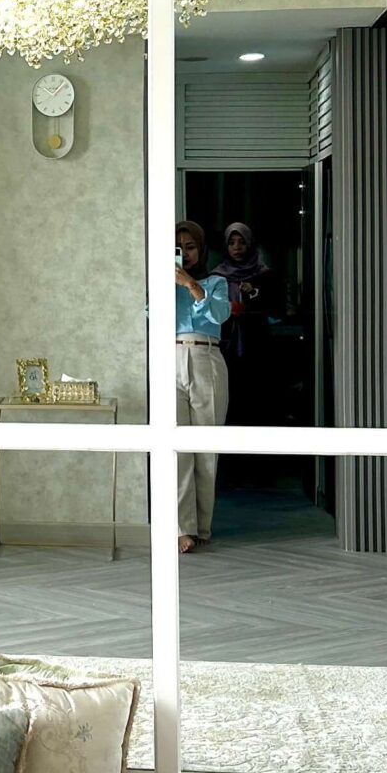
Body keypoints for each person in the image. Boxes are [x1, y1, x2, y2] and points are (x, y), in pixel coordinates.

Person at [175, 220, 231, 553]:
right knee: (176, 448)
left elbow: (220, 315)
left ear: (201, 249)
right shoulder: (162, 281)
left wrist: (191, 285)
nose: (185, 253)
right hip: (170, 359)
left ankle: (203, 526)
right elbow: (150, 316)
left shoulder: (216, 282)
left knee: (206, 448)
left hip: (206, 357)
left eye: (191, 247)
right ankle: (183, 529)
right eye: (179, 248)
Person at [212, 219, 274, 427]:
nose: (237, 248)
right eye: (232, 243)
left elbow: (276, 307)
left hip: (256, 341)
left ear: (250, 244)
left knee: (256, 393)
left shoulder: (263, 275)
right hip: (226, 342)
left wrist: (253, 292)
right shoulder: (217, 276)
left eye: (242, 242)